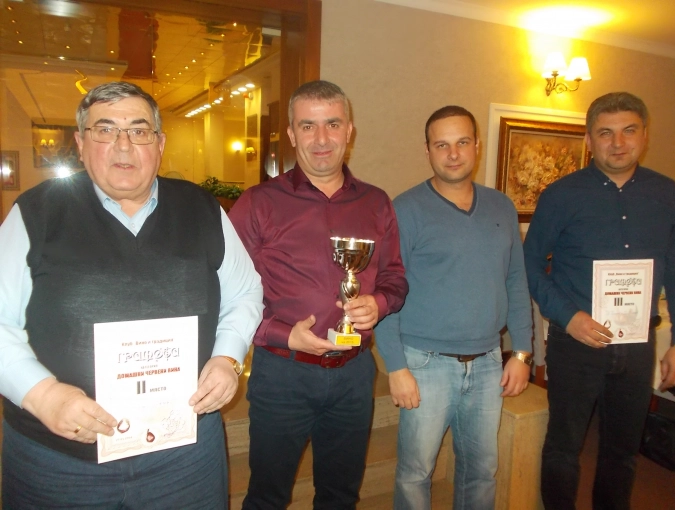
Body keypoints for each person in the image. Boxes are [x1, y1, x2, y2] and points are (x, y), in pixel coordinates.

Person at [0, 81, 264, 508]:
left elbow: (245, 291)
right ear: (81, 144)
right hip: (60, 463)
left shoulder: (202, 209)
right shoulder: (36, 213)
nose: (123, 145)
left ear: (159, 144)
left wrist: (227, 358)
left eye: (139, 131)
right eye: (105, 130)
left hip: (184, 456)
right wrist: (42, 394)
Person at [229, 80, 408, 508]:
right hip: (282, 375)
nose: (322, 138)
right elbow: (226, 291)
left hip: (354, 374)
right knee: (267, 497)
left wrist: (378, 304)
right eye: (308, 126)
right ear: (292, 134)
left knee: (340, 496)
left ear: (349, 130)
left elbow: (395, 278)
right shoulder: (257, 203)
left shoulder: (376, 203)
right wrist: (281, 333)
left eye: (333, 124)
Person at [524, 92, 675, 510]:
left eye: (629, 130)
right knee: (563, 448)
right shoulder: (561, 195)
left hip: (638, 344)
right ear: (589, 140)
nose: (618, 142)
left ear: (644, 135)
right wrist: (568, 317)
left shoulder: (668, 194)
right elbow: (529, 264)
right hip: (576, 342)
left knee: (622, 452)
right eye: (606, 133)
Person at [375, 105, 534, 510]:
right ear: (427, 150)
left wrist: (521, 352)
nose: (453, 154)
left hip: (488, 362)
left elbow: (516, 280)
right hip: (425, 363)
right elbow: (385, 290)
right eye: (441, 145)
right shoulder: (405, 209)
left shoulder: (501, 206)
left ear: (477, 145)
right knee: (415, 474)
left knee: (481, 471)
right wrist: (396, 367)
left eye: (462, 142)